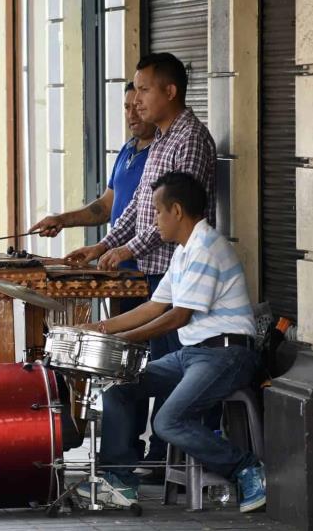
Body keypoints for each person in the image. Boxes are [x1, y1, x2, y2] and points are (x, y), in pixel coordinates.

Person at [80, 172, 265, 513]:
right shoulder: (183, 252)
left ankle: (247, 468)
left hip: (226, 354)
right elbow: (154, 306)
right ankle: (120, 480)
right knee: (118, 387)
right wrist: (97, 330)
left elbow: (177, 316)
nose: (153, 220)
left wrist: (120, 339)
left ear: (176, 211)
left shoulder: (207, 247)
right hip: (193, 354)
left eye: (156, 211)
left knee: (168, 421)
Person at [66, 52, 217, 467]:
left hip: (178, 273)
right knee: (152, 365)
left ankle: (166, 458)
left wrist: (128, 249)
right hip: (156, 275)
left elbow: (172, 215)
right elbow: (136, 206)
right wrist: (102, 246)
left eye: (145, 89)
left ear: (170, 91)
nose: (139, 99)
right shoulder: (162, 138)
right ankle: (148, 459)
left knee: (170, 368)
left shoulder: (189, 139)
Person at [30, 80, 155, 311]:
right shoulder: (128, 149)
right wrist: (62, 220)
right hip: (118, 270)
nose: (132, 114)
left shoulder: (160, 153)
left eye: (137, 107)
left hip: (149, 269)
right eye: (127, 108)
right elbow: (107, 205)